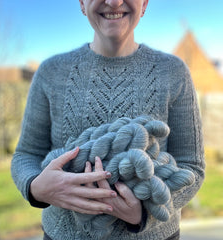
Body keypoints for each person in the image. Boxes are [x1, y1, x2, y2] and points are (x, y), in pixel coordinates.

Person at [11, 0, 205, 239]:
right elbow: (26, 154)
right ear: (82, 3)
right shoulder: (51, 72)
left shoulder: (174, 72)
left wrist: (145, 213)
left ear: (144, 4)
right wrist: (35, 187)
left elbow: (192, 167)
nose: (113, 2)